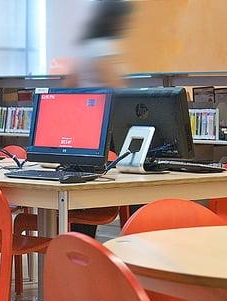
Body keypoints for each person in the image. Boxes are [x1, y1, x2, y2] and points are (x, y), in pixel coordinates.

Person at [65, 0, 133, 238]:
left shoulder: (85, 47)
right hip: (107, 124)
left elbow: (69, 86)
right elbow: (117, 87)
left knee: (84, 185)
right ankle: (137, 233)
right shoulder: (105, 47)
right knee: (132, 179)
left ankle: (79, 241)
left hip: (84, 126)